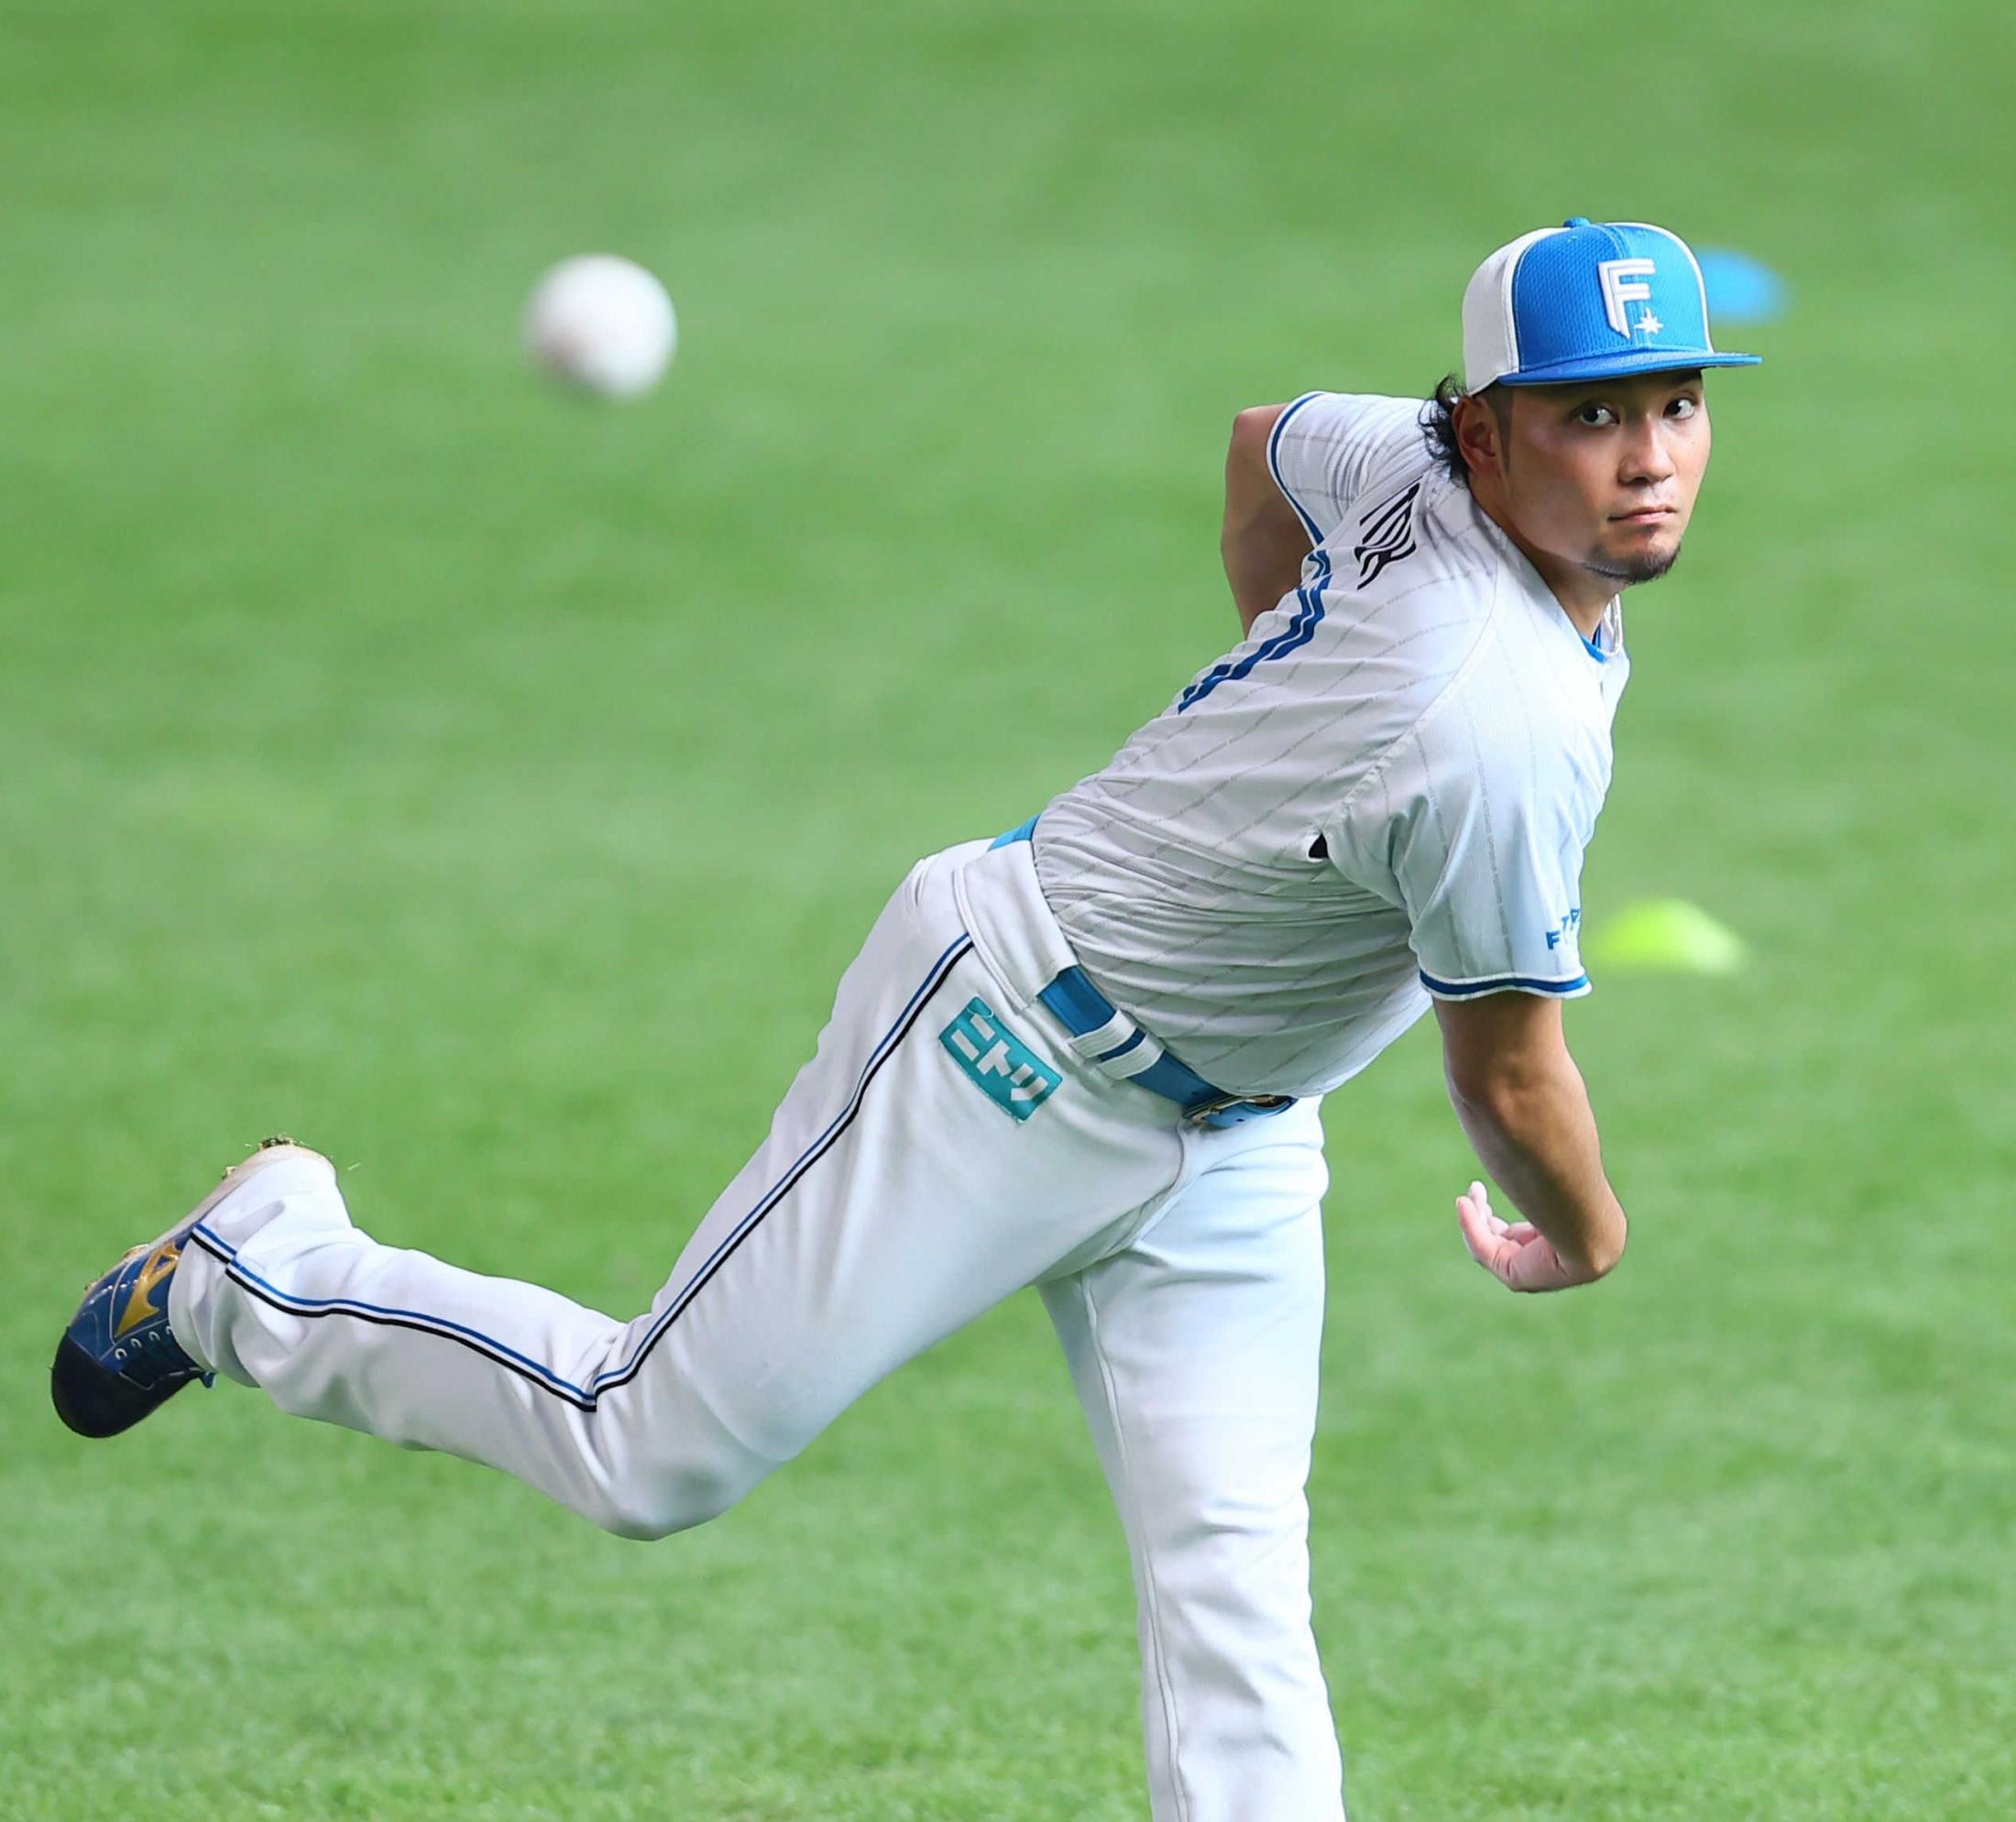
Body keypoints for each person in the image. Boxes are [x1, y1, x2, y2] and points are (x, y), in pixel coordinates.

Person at [53, 217, 1758, 1821]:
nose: (1648, 459)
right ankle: (253, 1270)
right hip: (1006, 1047)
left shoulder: (1412, 464)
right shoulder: (1492, 718)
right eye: (1590, 416)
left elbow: (1263, 444)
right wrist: (1587, 1237)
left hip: (1235, 1128)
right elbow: (1508, 1078)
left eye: (1675, 405)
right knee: (645, 1448)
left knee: (1236, 1588)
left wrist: (1284, 685)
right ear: (1483, 439)